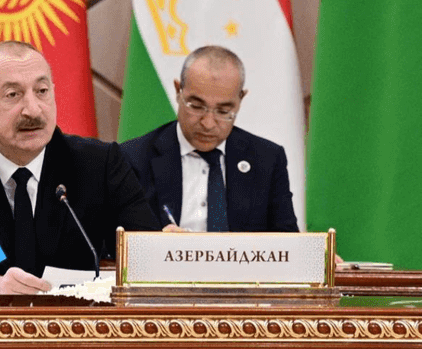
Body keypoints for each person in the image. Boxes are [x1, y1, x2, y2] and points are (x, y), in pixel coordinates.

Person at [0, 41, 159, 294]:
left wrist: (166, 249)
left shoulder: (98, 164)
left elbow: (146, 261)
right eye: (13, 95)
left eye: (42, 91)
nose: (33, 110)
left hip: (74, 331)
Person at [121, 45, 297, 233]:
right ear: (178, 91)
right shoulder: (134, 158)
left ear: (240, 100)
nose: (208, 123)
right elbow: (113, 243)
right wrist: (157, 244)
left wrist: (318, 258)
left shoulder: (267, 160)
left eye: (223, 111)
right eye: (196, 106)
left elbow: (287, 241)